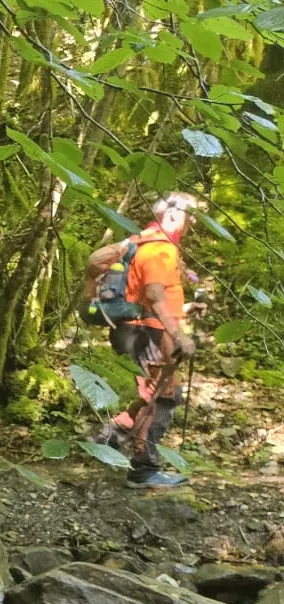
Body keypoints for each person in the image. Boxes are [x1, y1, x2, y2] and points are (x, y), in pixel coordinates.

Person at [83, 192, 201, 489]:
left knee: (151, 392)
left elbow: (150, 296)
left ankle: (107, 441)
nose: (194, 222)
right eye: (191, 215)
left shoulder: (142, 242)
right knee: (161, 397)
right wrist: (178, 336)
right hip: (145, 332)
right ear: (175, 216)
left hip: (141, 328)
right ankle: (143, 469)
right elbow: (153, 295)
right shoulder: (161, 248)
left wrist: (183, 311)